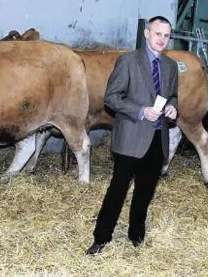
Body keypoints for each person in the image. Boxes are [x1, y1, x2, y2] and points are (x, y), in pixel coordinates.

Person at [85, 16, 178, 255]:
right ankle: (101, 238)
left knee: (145, 191)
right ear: (147, 34)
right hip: (130, 139)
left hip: (158, 139)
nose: (162, 39)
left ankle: (136, 234)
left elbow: (173, 95)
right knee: (117, 190)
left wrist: (172, 107)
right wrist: (140, 111)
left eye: (166, 35)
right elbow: (111, 98)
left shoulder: (170, 66)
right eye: (158, 34)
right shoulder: (127, 61)